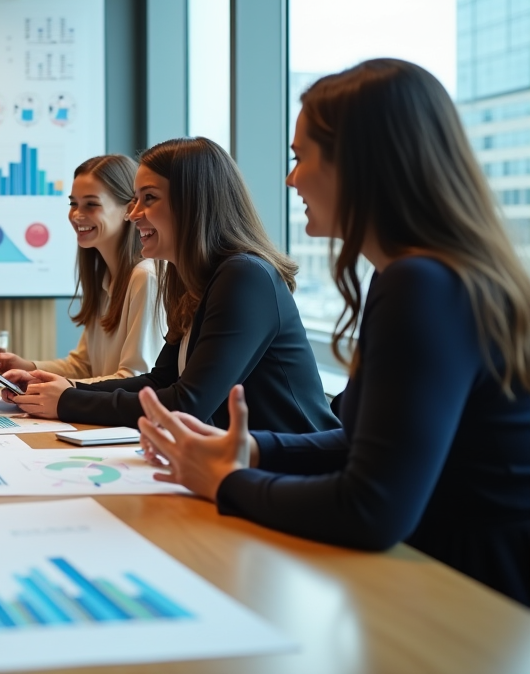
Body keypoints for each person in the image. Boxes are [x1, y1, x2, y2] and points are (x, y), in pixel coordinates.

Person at [135, 59, 530, 607]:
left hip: (472, 601)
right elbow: (363, 444)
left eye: (300, 158)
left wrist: (226, 482)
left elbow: (372, 508)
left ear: (359, 163)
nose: (291, 178)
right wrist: (249, 449)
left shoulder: (423, 286)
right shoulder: (420, 277)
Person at [3, 137, 339, 434]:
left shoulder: (245, 276)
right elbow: (159, 381)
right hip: (241, 466)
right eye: (134, 199)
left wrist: (68, 401)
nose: (133, 214)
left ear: (193, 203)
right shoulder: (187, 278)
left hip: (291, 469)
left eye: (148, 198)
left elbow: (188, 404)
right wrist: (63, 388)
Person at [0, 154, 164, 382]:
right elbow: (83, 366)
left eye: (91, 204)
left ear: (129, 210)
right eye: (73, 204)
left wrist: (56, 388)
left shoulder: (146, 277)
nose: (77, 215)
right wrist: (28, 367)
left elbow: (134, 379)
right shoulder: (105, 277)